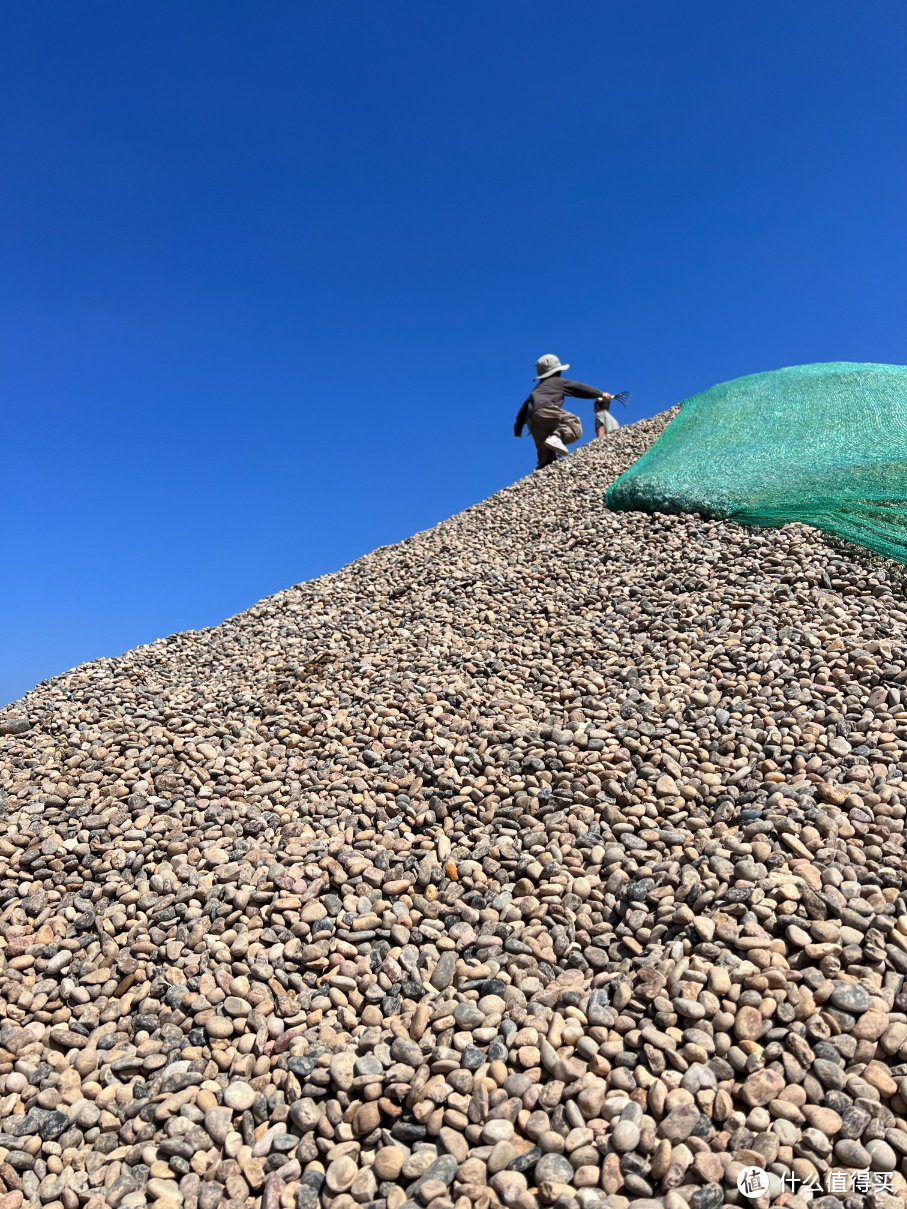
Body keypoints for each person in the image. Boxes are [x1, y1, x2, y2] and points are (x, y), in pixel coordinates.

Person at [514, 354, 612, 469]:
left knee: (546, 455)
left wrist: (518, 428)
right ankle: (556, 437)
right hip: (546, 410)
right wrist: (600, 394)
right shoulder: (557, 381)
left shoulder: (537, 390)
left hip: (532, 420)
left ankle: (543, 473)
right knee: (572, 423)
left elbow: (523, 410)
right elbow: (578, 388)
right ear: (557, 372)